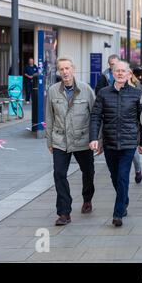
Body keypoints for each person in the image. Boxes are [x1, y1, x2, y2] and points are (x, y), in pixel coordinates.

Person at [89, 60, 142, 227]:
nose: (120, 73)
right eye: (117, 71)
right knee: (114, 177)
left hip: (129, 143)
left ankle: (118, 214)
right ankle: (124, 200)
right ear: (112, 73)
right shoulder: (103, 93)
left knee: (123, 177)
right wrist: (94, 138)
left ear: (129, 74)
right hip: (109, 142)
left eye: (124, 71)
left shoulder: (137, 94)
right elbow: (95, 117)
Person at [46, 57, 96, 226]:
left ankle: (87, 198)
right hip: (61, 140)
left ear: (73, 69)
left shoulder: (86, 89)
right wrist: (50, 142)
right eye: (61, 69)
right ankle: (64, 212)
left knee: (88, 172)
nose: (65, 72)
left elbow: (95, 116)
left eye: (67, 68)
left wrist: (98, 139)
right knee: (59, 174)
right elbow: (49, 117)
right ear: (59, 72)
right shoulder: (53, 91)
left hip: (83, 139)